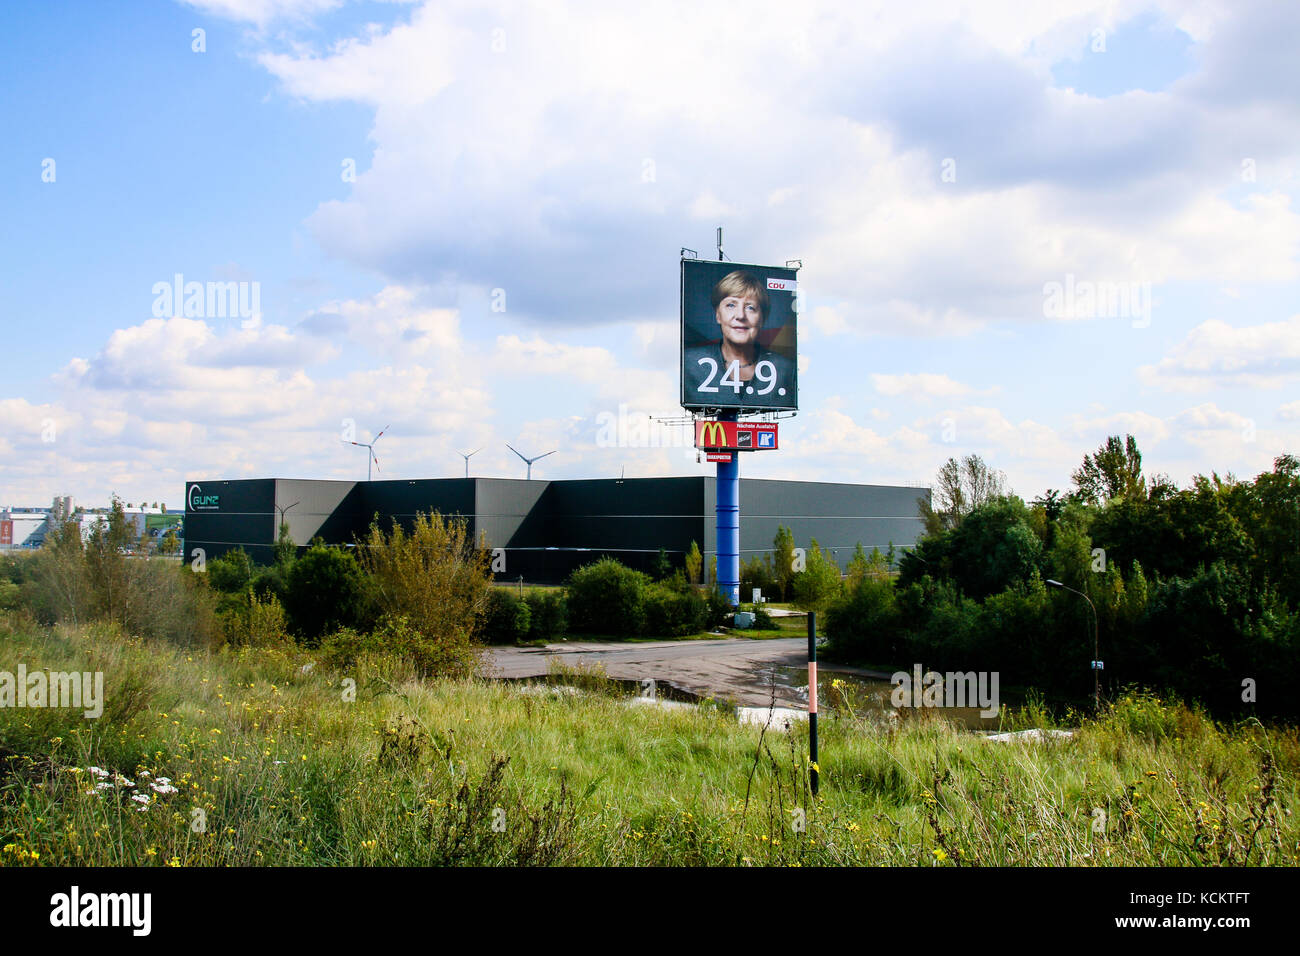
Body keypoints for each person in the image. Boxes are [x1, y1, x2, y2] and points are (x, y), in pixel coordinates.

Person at [682, 270, 795, 405]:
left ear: (762, 318)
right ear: (718, 314)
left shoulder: (786, 369)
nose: (740, 315)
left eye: (750, 307)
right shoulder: (690, 363)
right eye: (731, 305)